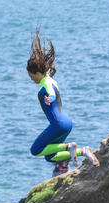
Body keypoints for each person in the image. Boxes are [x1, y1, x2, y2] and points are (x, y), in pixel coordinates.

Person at [27, 31, 100, 176]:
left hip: (58, 125)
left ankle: (70, 146)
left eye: (31, 76)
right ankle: (83, 151)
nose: (31, 79)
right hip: (66, 124)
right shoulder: (50, 79)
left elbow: (52, 94)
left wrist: (50, 99)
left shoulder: (46, 82)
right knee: (50, 156)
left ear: (37, 73)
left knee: (35, 150)